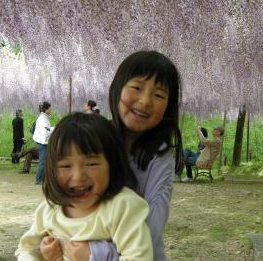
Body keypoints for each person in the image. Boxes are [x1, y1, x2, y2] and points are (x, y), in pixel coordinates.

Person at [42, 51, 183, 261]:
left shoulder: (159, 157)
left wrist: (96, 253)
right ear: (117, 89)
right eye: (137, 87)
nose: (145, 101)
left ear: (168, 107)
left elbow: (151, 229)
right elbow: (65, 199)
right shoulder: (96, 138)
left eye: (159, 95)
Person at [15, 112, 153, 260]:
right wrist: (41, 254)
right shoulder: (49, 210)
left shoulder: (123, 207)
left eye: (91, 164)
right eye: (66, 166)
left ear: (112, 164)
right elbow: (25, 249)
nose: (78, 176)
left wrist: (93, 256)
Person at [33, 101, 53, 185]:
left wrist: (52, 128)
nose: (51, 109)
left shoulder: (44, 117)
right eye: (50, 108)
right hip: (42, 143)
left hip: (42, 142)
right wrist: (54, 129)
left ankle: (42, 178)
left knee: (44, 161)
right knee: (42, 161)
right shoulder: (43, 119)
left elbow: (47, 129)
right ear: (46, 109)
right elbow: (46, 131)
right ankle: (38, 179)